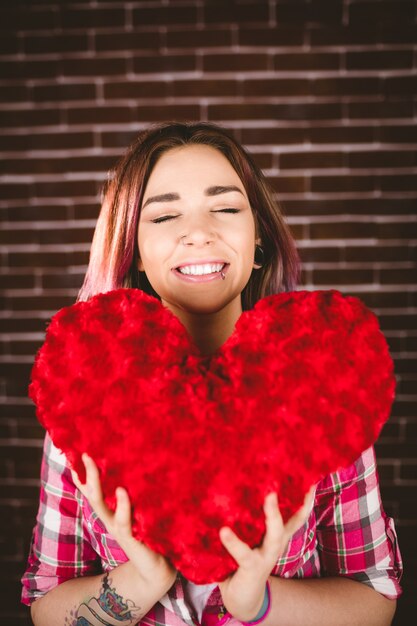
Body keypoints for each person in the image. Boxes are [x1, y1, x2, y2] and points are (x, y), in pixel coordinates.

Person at [21, 122, 402, 626]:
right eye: (164, 215)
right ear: (133, 246)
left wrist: (257, 602)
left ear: (259, 234)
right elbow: (46, 606)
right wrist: (142, 580)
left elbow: (374, 597)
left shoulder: (320, 382)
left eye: (225, 208)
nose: (199, 232)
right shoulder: (83, 389)